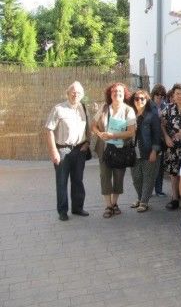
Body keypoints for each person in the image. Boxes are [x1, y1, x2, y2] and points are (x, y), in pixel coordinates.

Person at [45, 81, 91, 221]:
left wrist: (88, 143)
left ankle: (77, 208)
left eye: (78, 92)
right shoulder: (58, 108)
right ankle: (62, 211)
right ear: (67, 93)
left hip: (80, 149)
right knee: (62, 182)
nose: (75, 94)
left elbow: (88, 127)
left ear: (82, 95)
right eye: (73, 91)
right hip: (63, 150)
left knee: (78, 180)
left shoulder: (83, 107)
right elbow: (49, 130)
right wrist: (53, 151)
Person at [92, 83, 136, 218]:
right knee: (105, 176)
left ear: (124, 94)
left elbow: (131, 132)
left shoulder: (129, 110)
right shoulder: (104, 108)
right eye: (114, 91)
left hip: (120, 150)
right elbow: (93, 125)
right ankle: (108, 206)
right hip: (104, 149)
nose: (117, 93)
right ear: (110, 94)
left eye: (120, 92)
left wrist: (113, 135)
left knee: (118, 177)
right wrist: (100, 134)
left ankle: (115, 203)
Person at [130, 90, 161, 213]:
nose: (139, 101)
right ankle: (140, 198)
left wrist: (154, 151)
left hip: (148, 151)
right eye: (137, 98)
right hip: (133, 151)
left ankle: (144, 202)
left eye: (142, 98)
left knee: (148, 178)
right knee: (136, 178)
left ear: (147, 100)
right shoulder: (130, 114)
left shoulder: (152, 115)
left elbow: (157, 134)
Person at [150, 83, 167, 197]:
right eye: (157, 96)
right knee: (150, 167)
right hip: (151, 140)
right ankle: (148, 190)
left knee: (159, 167)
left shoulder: (165, 106)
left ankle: (159, 190)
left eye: (162, 96)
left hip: (161, 140)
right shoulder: (149, 106)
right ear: (153, 95)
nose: (159, 98)